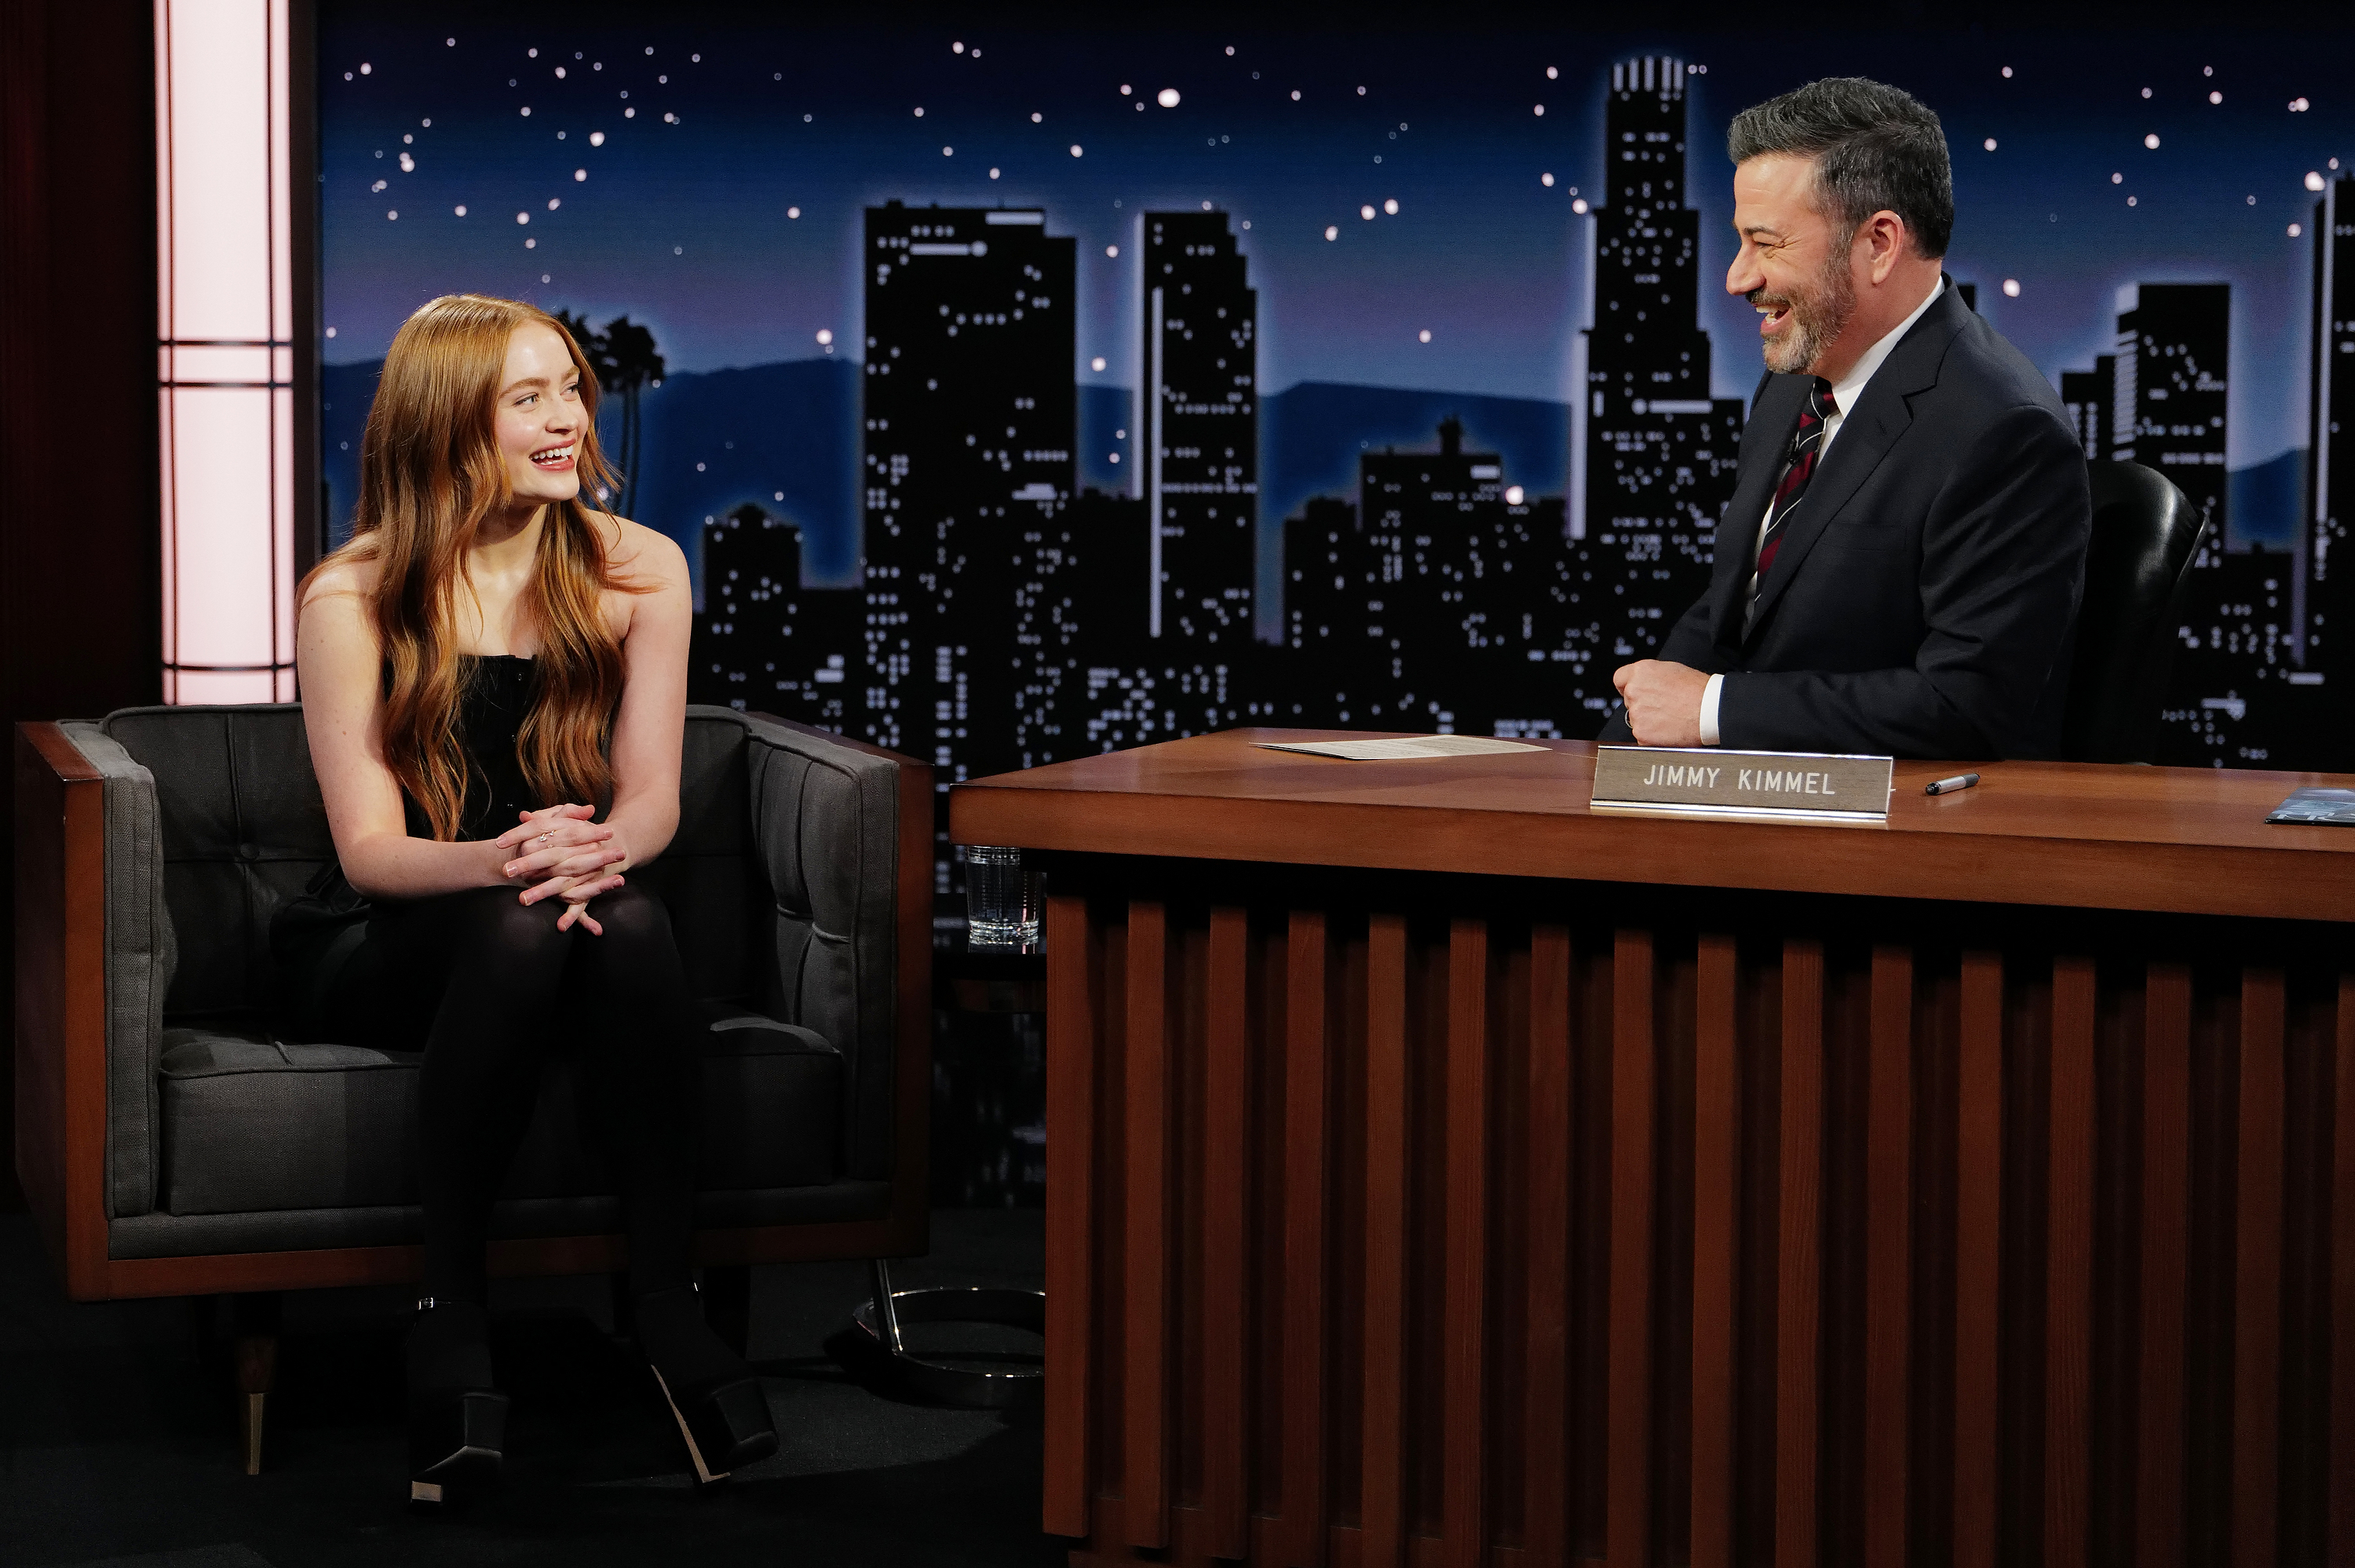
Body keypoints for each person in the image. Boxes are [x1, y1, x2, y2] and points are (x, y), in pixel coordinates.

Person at [275, 293, 776, 1504]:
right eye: (528, 398)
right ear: (450, 423)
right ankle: (450, 1309)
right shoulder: (353, 594)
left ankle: (664, 1300)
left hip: (571, 911)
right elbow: (372, 855)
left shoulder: (640, 569)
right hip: (394, 930)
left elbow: (650, 799)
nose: (567, 421)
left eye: (571, 391)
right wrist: (514, 859)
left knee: (632, 914)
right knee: (528, 923)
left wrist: (596, 851)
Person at [1602, 77, 2090, 758]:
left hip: (1892, 817)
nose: (1738, 278)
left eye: (1767, 243)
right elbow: (1732, 613)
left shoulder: (2007, 431)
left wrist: (1712, 710)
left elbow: (1966, 706)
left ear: (1879, 244)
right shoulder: (1791, 386)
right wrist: (1614, 755)